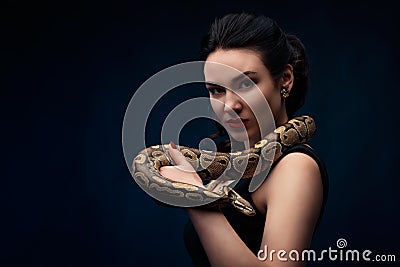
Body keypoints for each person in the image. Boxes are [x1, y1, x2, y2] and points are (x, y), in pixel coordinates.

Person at [160, 12, 328, 267]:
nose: (230, 105)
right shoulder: (231, 161)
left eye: (247, 83)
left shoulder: (295, 167)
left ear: (285, 79)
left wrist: (194, 196)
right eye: (216, 90)